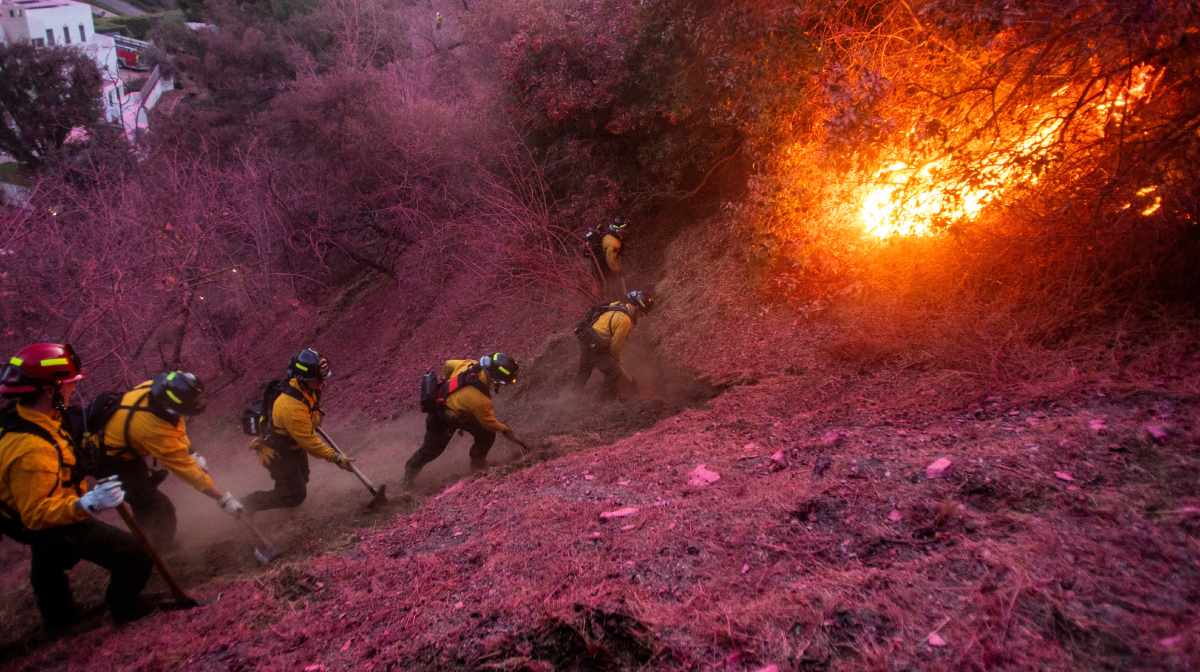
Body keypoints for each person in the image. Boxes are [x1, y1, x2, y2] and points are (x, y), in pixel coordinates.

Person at [0, 343, 152, 631]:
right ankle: (125, 610)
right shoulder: (30, 449)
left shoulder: (35, 418)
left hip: (22, 511)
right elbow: (36, 516)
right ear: (49, 391)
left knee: (49, 561)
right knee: (133, 556)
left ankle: (59, 619)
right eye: (68, 385)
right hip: (37, 517)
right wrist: (87, 504)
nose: (72, 390)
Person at [94, 371, 244, 546]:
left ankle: (153, 541)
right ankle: (155, 549)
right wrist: (222, 499)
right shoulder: (153, 430)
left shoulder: (156, 392)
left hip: (124, 443)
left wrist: (190, 451)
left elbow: (175, 426)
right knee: (155, 506)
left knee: (148, 498)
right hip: (110, 460)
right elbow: (188, 472)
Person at [243, 348, 352, 512]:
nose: (322, 383)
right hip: (276, 451)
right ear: (303, 379)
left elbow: (311, 414)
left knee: (303, 476)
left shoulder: (309, 388)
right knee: (294, 495)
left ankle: (286, 493)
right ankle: (246, 504)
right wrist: (336, 458)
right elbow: (310, 443)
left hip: (292, 445)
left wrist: (314, 418)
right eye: (318, 380)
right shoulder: (291, 407)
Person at [405, 352, 528, 487]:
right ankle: (408, 477)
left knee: (485, 435)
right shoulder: (480, 400)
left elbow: (448, 364)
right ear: (496, 379)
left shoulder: (469, 364)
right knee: (430, 451)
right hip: (441, 418)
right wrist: (506, 429)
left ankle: (477, 466)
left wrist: (450, 384)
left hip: (460, 413)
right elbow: (489, 422)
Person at [575, 289, 655, 398]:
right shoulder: (626, 320)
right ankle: (601, 402)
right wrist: (616, 360)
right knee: (614, 373)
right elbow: (615, 346)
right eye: (641, 313)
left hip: (587, 336)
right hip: (596, 344)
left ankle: (573, 395)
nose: (640, 317)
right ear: (637, 308)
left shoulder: (617, 305)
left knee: (584, 370)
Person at [587, 217, 628, 299]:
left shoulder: (609, 236)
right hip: (604, 266)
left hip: (601, 263)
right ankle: (619, 298)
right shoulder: (612, 243)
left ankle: (617, 297)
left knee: (610, 283)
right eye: (623, 229)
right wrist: (618, 270)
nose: (625, 232)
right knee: (611, 284)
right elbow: (610, 260)